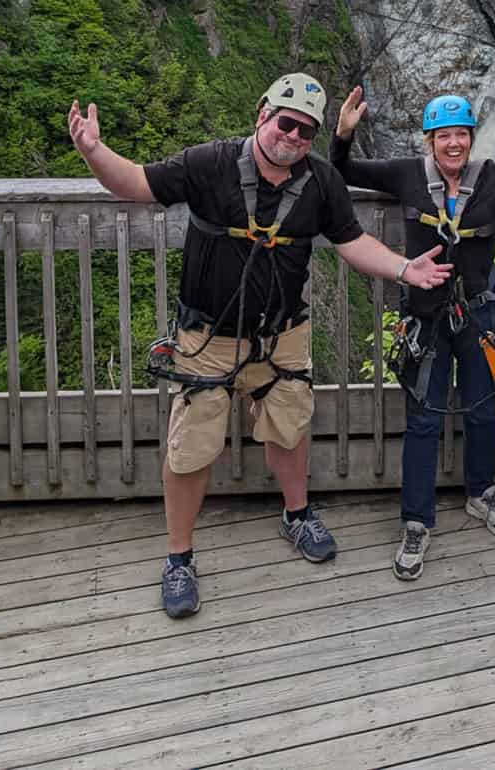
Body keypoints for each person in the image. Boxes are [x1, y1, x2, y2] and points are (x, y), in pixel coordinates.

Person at [68, 72, 452, 618]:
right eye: (285, 123)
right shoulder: (209, 164)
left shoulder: (320, 181)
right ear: (262, 115)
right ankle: (179, 558)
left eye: (305, 131)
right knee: (191, 446)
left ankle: (297, 514)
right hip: (207, 337)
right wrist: (93, 151)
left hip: (283, 334)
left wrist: (404, 270)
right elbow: (133, 183)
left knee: (289, 426)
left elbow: (352, 242)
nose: (292, 137)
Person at [332, 88, 495, 580]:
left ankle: (482, 493)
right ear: (430, 140)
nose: (453, 144)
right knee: (423, 419)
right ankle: (417, 521)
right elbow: (346, 171)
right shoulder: (406, 174)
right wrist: (343, 134)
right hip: (426, 316)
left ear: (470, 137)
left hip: (479, 316)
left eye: (461, 134)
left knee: (483, 408)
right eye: (444, 136)